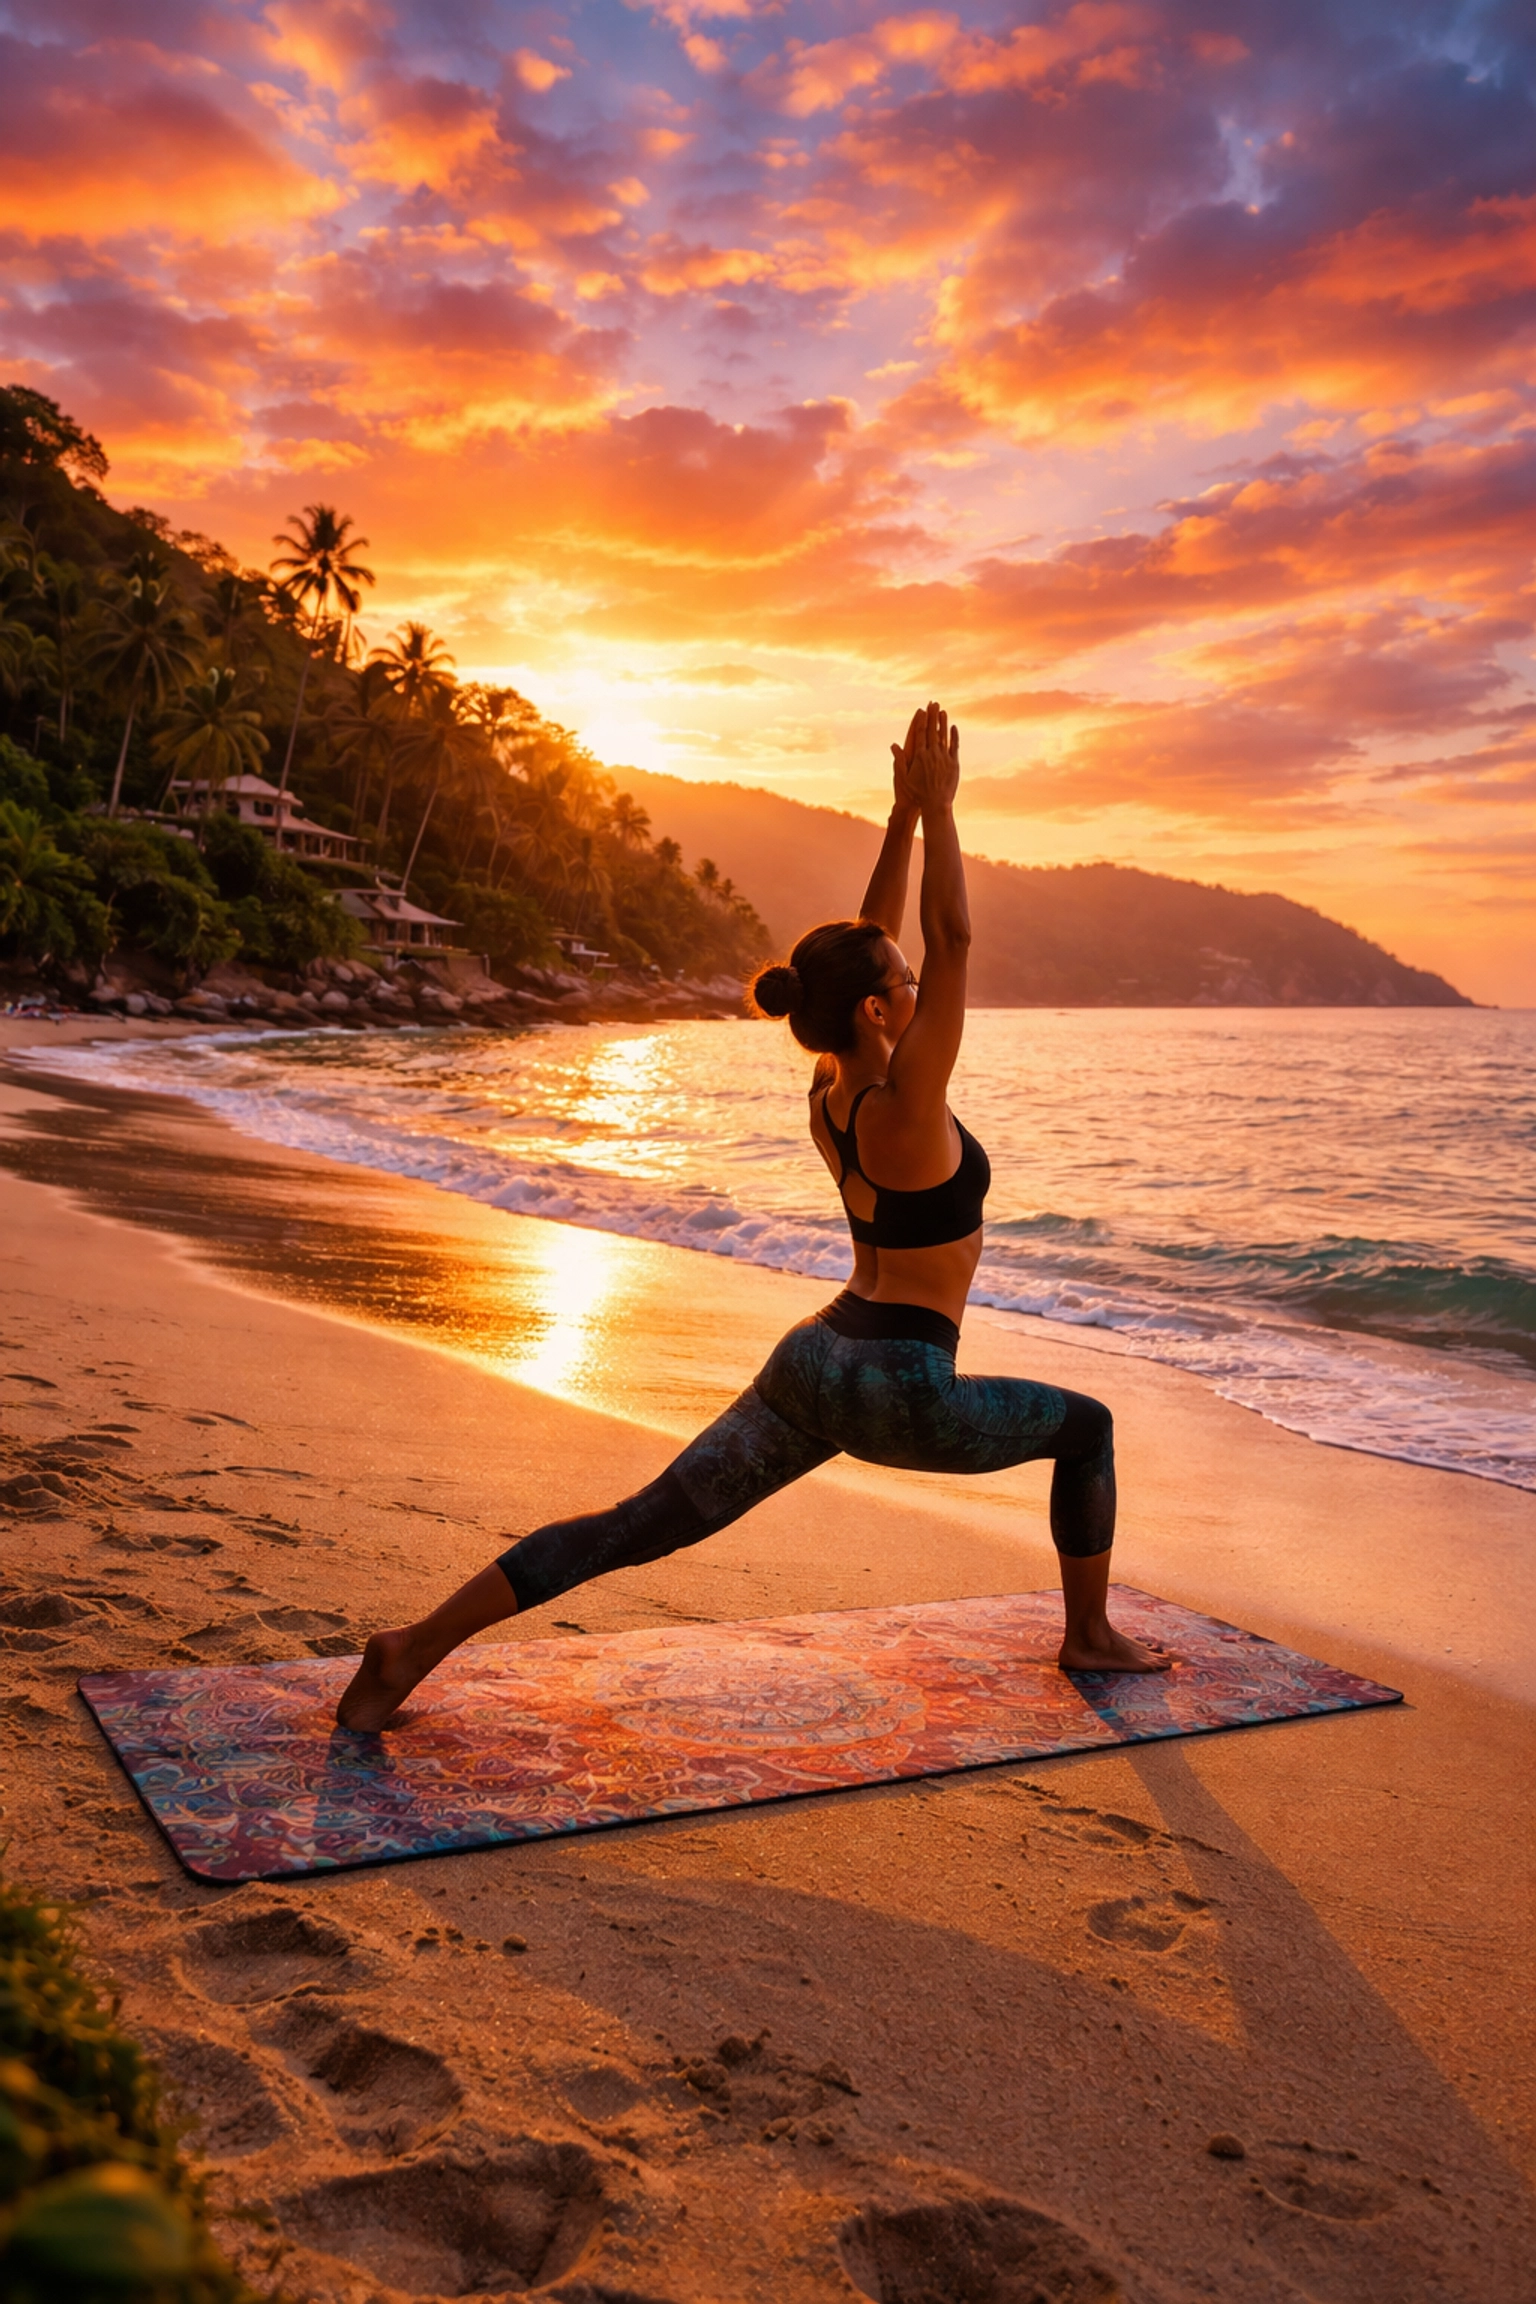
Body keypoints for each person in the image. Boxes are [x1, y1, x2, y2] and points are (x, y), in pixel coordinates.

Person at [337, 701, 1169, 1732]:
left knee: (634, 1527)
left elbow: (877, 947)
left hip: (814, 1363)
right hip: (901, 1384)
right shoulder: (909, 1107)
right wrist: (944, 811)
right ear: (876, 1012)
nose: (917, 984)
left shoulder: (831, 1089)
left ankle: (411, 1648)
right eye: (902, 986)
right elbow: (949, 936)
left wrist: (902, 817)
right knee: (1088, 1431)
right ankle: (1088, 1634)